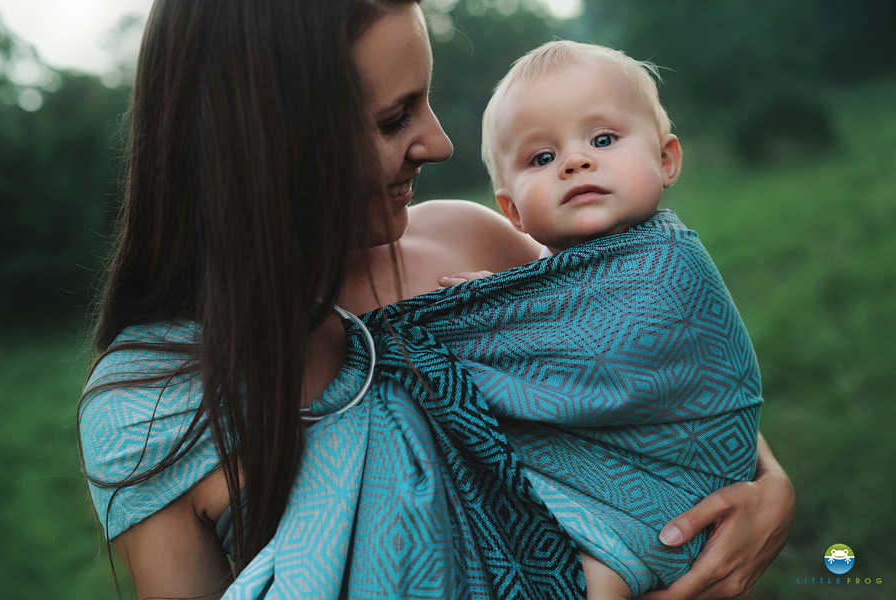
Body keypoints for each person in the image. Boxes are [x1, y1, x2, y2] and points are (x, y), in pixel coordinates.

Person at [78, 2, 794, 599]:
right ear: (274, 143)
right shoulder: (151, 406)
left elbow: (644, 388)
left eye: (426, 100)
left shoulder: (470, 240)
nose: (442, 143)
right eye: (395, 120)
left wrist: (772, 492)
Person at [441, 40, 760, 600]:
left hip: (679, 490)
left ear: (666, 159)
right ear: (512, 211)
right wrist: (493, 307)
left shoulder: (669, 260)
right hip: (592, 488)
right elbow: (541, 333)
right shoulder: (534, 283)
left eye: (603, 140)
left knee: (597, 578)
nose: (575, 162)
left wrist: (476, 327)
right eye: (542, 158)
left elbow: (616, 360)